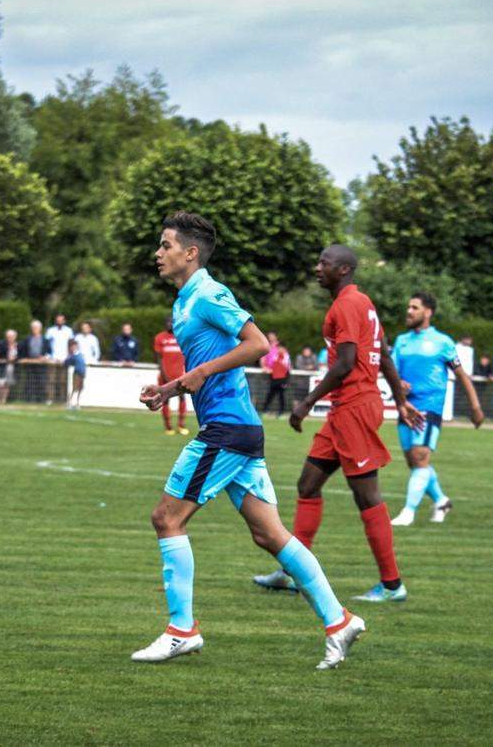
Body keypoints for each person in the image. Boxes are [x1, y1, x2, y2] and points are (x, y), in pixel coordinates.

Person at [134, 212, 362, 669]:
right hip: (237, 428)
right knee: (269, 534)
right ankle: (340, 621)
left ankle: (182, 630)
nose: (158, 254)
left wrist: (198, 373)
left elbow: (257, 344)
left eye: (165, 245)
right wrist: (169, 388)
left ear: (190, 253)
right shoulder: (184, 302)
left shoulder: (209, 293)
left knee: (167, 518)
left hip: (226, 429)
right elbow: (209, 365)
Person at [253, 243, 418, 604]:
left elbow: (346, 363)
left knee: (367, 495)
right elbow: (384, 354)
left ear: (342, 270)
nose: (317, 268)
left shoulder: (346, 305)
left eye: (324, 263)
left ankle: (392, 585)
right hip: (346, 409)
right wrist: (401, 401)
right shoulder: (363, 303)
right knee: (308, 483)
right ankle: (293, 573)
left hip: (355, 408)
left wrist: (306, 403)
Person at [388, 292, 485, 526]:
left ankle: (408, 512)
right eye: (408, 307)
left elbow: (462, 375)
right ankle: (441, 500)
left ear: (428, 312)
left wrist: (475, 406)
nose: (409, 311)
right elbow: (392, 372)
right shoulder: (401, 341)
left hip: (429, 408)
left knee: (420, 458)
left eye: (415, 307)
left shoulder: (443, 342)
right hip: (405, 408)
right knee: (414, 462)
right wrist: (398, 383)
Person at [153, 316, 189, 435]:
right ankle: (168, 427)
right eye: (167, 322)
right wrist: (164, 375)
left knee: (182, 397)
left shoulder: (182, 337)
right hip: (165, 375)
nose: (170, 324)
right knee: (165, 399)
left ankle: (181, 425)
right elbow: (159, 359)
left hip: (180, 375)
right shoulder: (160, 337)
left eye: (172, 322)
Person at [17, 320, 50, 402]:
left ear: (40, 328)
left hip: (41, 364)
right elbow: (22, 350)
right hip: (30, 364)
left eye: (36, 328)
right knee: (29, 383)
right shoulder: (27, 339)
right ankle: (28, 400)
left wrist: (45, 357)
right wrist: (23, 358)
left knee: (41, 382)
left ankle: (41, 400)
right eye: (33, 328)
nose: (34, 329)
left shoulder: (45, 339)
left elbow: (49, 352)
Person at [260, 331, 291, 416]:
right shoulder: (276, 356)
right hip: (274, 378)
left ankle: (281, 412)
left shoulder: (286, 357)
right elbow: (271, 364)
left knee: (281, 396)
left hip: (282, 379)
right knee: (270, 394)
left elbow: (287, 369)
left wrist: (286, 381)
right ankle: (264, 410)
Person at [0, 329, 18, 404]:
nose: (10, 338)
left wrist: (15, 358)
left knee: (7, 384)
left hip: (11, 367)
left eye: (12, 336)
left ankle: (4, 400)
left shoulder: (17, 345)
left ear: (15, 337)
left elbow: (20, 355)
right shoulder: (1, 343)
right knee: (0, 385)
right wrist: (8, 351)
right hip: (2, 366)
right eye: (8, 336)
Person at [64, 338, 87, 409]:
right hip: (77, 373)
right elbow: (67, 362)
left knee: (80, 388)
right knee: (74, 388)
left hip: (82, 373)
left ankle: (77, 402)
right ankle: (69, 402)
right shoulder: (73, 356)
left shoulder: (80, 354)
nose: (74, 347)